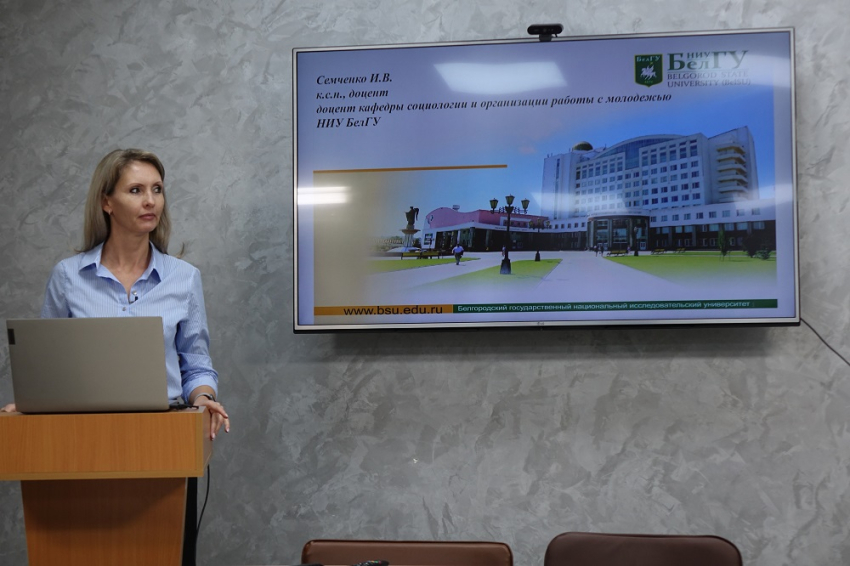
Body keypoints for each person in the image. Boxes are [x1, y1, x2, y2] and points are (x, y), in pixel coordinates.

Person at [1, 149, 230, 440]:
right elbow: (48, 369)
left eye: (157, 189)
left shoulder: (184, 278)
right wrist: (30, 405)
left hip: (165, 435)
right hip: (84, 436)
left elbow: (196, 366)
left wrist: (203, 399)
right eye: (136, 190)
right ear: (106, 202)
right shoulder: (67, 276)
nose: (150, 201)